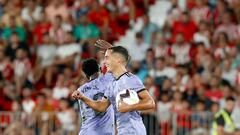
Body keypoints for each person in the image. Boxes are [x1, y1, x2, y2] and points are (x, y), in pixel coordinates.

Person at [72, 45, 155, 135]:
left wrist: (129, 107)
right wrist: (82, 97)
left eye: (107, 58)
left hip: (134, 130)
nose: (104, 62)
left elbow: (150, 102)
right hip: (122, 131)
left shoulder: (130, 79)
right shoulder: (111, 85)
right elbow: (101, 106)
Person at [73, 58, 115, 135]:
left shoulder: (80, 90)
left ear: (86, 75)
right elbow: (123, 62)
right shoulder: (107, 79)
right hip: (102, 131)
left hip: (85, 131)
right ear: (100, 69)